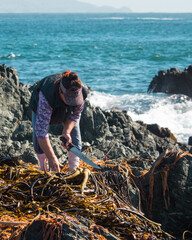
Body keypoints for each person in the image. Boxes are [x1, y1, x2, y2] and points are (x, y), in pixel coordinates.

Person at [30, 70, 88, 172]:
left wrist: (66, 131)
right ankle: (44, 168)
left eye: (75, 99)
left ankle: (73, 168)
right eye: (69, 99)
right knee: (37, 134)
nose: (72, 102)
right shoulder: (46, 96)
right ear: (60, 91)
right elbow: (41, 131)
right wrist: (52, 158)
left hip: (66, 112)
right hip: (41, 106)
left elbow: (75, 115)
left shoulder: (81, 92)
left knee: (74, 134)